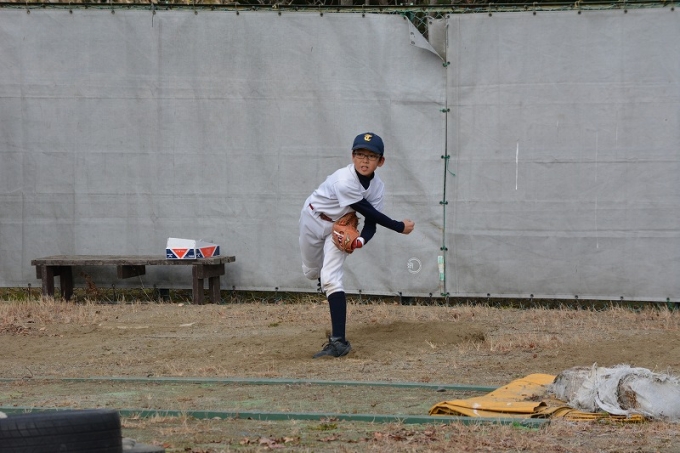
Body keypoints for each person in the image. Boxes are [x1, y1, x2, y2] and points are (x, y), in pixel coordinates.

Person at [299, 132, 415, 358]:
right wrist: (399, 226)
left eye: (371, 156)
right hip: (312, 219)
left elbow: (371, 223)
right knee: (311, 272)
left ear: (381, 161)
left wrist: (360, 240)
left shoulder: (377, 187)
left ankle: (338, 342)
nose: (365, 160)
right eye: (360, 154)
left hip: (339, 229)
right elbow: (367, 210)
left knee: (332, 279)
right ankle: (320, 276)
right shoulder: (344, 179)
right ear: (352, 156)